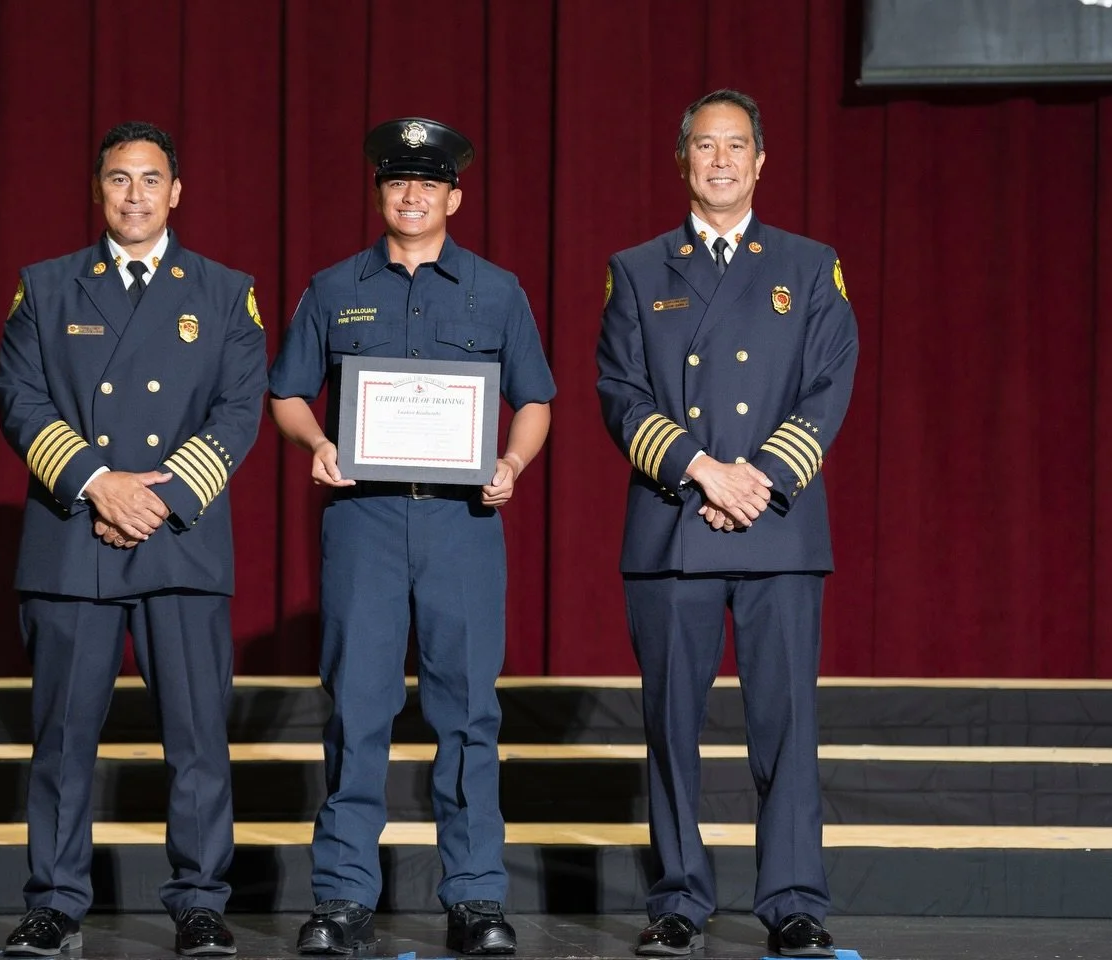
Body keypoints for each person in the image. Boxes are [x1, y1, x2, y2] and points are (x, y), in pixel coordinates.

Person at [267, 117, 554, 956]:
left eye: (429, 184)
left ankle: (473, 898)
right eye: (398, 182)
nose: (413, 195)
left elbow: (534, 397)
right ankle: (344, 897)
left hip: (461, 523)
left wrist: (512, 462)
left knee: (468, 712)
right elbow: (287, 393)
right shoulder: (330, 287)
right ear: (380, 193)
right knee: (358, 708)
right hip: (363, 522)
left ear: (454, 197)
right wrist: (318, 443)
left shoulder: (497, 291)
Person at [0, 120, 267, 957]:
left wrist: (165, 495)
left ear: (176, 192)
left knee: (194, 737)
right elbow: (20, 400)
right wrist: (100, 484)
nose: (135, 195)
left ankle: (198, 900)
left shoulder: (225, 291)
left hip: (179, 540)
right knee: (64, 741)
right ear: (98, 189)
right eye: (119, 179)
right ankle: (54, 900)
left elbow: (240, 408)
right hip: (74, 535)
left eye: (151, 180)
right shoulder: (44, 288)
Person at [595, 89, 858, 958]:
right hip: (675, 525)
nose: (720, 161)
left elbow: (828, 388)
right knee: (671, 726)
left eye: (735, 146)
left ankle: (791, 899)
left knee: (786, 725)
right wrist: (701, 468)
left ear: (760, 161)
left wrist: (762, 478)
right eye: (704, 147)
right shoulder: (636, 268)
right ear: (682, 161)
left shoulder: (811, 264)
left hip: (778, 526)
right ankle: (678, 896)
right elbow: (621, 395)